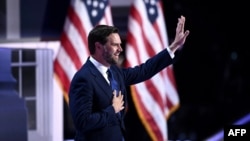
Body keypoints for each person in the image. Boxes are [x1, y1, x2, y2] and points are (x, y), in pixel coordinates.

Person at [68, 15, 190, 141]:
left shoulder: (115, 72)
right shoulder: (83, 79)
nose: (120, 49)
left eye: (120, 45)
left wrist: (173, 47)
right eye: (115, 45)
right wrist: (112, 110)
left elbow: (144, 70)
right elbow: (82, 122)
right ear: (99, 47)